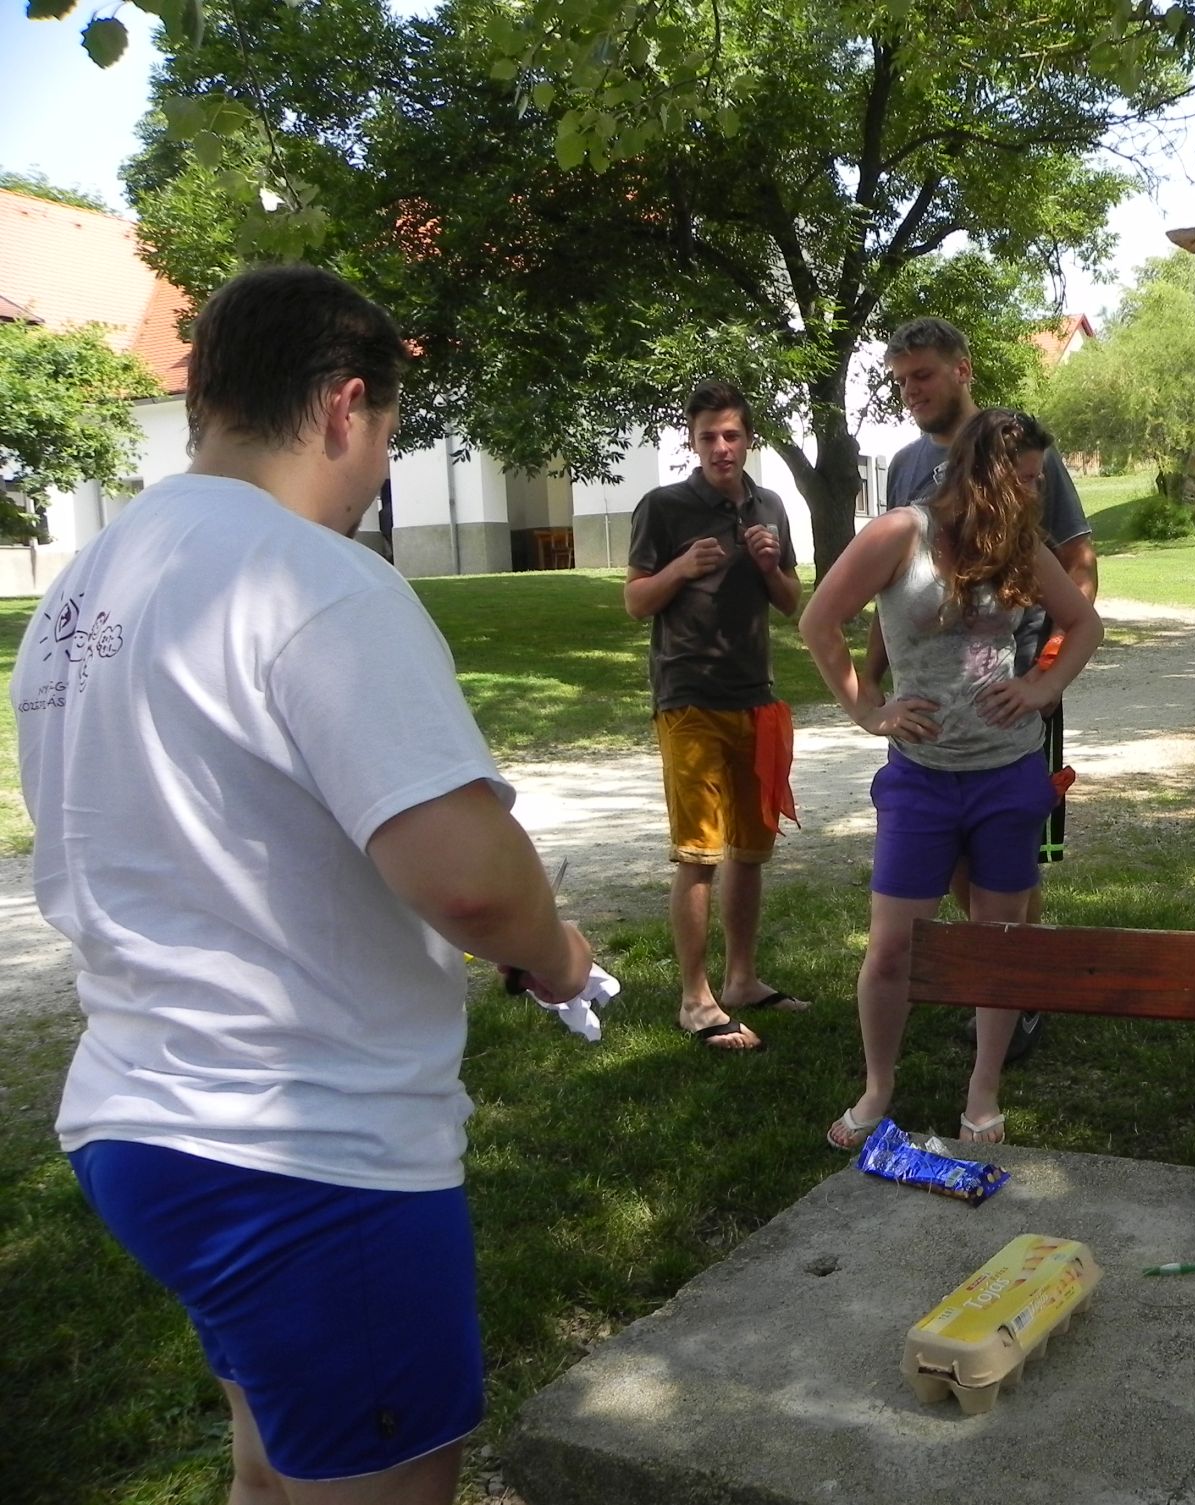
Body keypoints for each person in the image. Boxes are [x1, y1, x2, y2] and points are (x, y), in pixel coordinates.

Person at [11, 264, 593, 1505]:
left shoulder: (83, 587)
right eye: (387, 432)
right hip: (306, 1151)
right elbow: (474, 885)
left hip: (141, 1120)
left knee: (271, 1473)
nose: (379, 465)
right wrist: (559, 956)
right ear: (343, 405)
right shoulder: (315, 578)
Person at [800, 409, 1103, 1151]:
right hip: (923, 779)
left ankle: (983, 1090)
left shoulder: (1018, 544)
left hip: (1007, 773)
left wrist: (1041, 686)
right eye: (1024, 479)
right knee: (892, 949)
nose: (1035, 493)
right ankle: (878, 1088)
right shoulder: (899, 535)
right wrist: (869, 710)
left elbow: (1084, 623)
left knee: (996, 944)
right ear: (986, 474)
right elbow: (819, 622)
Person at [878, 317, 1099, 1065]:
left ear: (962, 370)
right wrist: (874, 685)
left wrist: (1047, 673)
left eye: (924, 375)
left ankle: (1016, 987)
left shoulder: (1018, 444)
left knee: (1011, 856)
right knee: (957, 860)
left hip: (1017, 683)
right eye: (902, 380)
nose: (912, 391)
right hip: (932, 706)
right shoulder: (907, 465)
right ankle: (997, 978)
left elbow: (1077, 561)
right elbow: (891, 590)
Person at [625, 381, 807, 1051]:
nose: (721, 447)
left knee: (751, 853)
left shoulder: (770, 506)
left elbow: (791, 600)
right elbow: (636, 602)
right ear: (692, 441)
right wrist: (679, 568)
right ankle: (694, 998)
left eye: (731, 435)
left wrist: (769, 565)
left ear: (748, 438)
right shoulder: (664, 507)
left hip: (755, 697)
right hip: (689, 697)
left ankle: (742, 980)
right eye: (708, 436)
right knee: (698, 854)